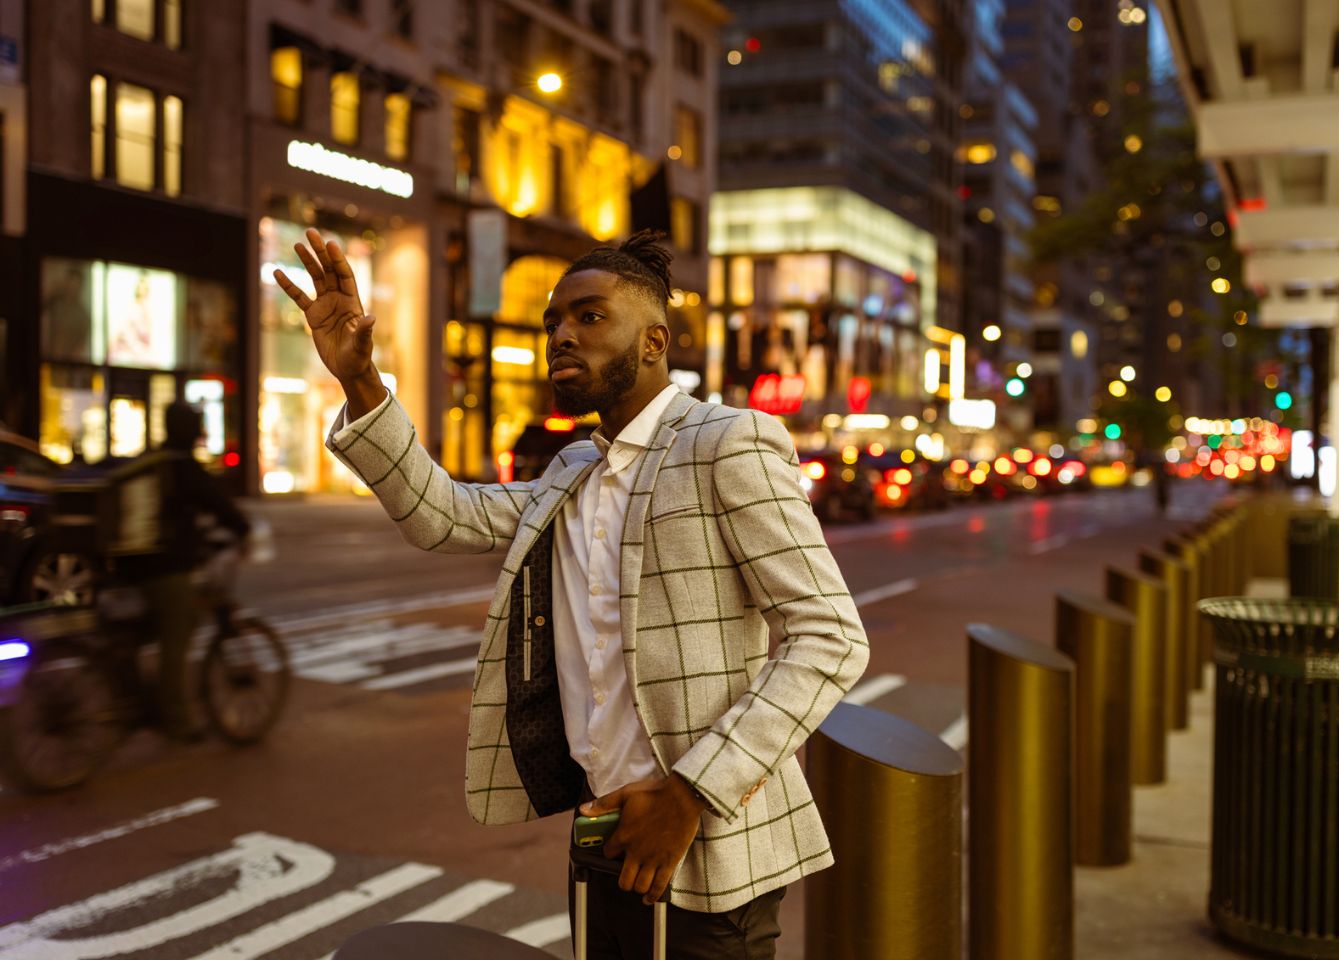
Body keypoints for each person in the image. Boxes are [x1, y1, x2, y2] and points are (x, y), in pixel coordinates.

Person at [275, 228, 869, 959]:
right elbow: (440, 516)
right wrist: (361, 381)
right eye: (553, 321)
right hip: (598, 833)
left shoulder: (726, 443)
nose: (561, 334)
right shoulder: (574, 471)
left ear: (654, 341)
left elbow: (831, 637)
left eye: (589, 316)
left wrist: (691, 795)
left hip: (706, 841)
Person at [114, 403, 251, 740]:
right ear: (191, 431)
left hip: (128, 562)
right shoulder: (183, 468)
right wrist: (242, 529)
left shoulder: (154, 461)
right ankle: (175, 720)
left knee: (146, 630)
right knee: (177, 636)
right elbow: (219, 504)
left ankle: (134, 694)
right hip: (163, 566)